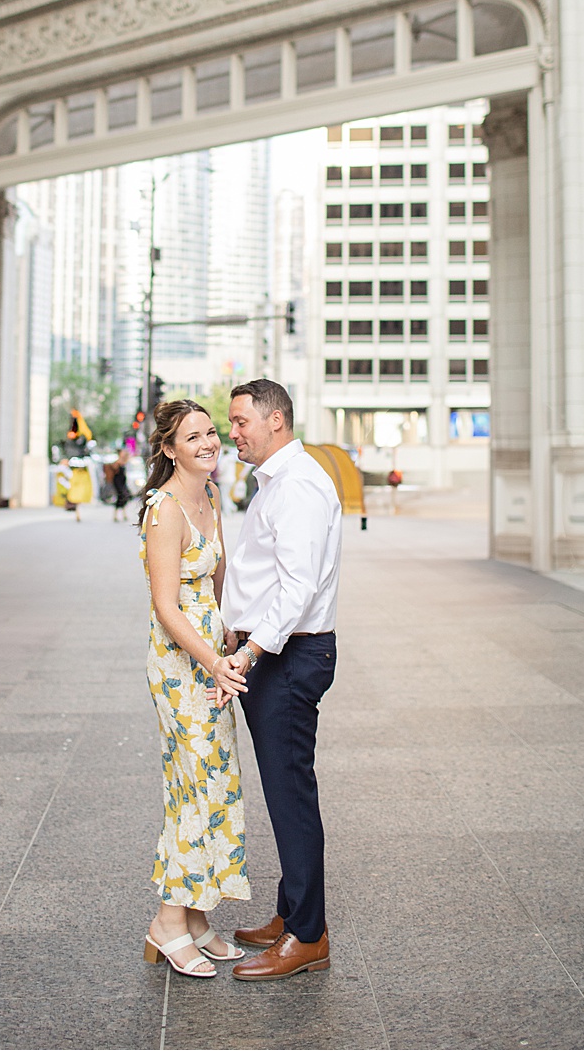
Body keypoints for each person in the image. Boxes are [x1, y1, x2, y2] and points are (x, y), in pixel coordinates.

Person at [218, 378, 342, 981]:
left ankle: (307, 936)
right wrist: (237, 635)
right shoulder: (276, 483)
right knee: (284, 792)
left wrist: (249, 653)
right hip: (274, 651)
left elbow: (298, 587)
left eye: (240, 421)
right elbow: (264, 579)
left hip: (290, 657)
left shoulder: (298, 487)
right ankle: (291, 911)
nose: (231, 432)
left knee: (291, 796)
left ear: (276, 421)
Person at [138, 399, 250, 978]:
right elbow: (165, 603)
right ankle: (168, 923)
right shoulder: (164, 509)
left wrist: (232, 639)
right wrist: (213, 660)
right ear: (168, 449)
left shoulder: (209, 497)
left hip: (212, 656)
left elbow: (215, 580)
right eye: (194, 436)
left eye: (212, 432)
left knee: (216, 778)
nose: (209, 442)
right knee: (191, 781)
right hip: (181, 663)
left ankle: (198, 917)